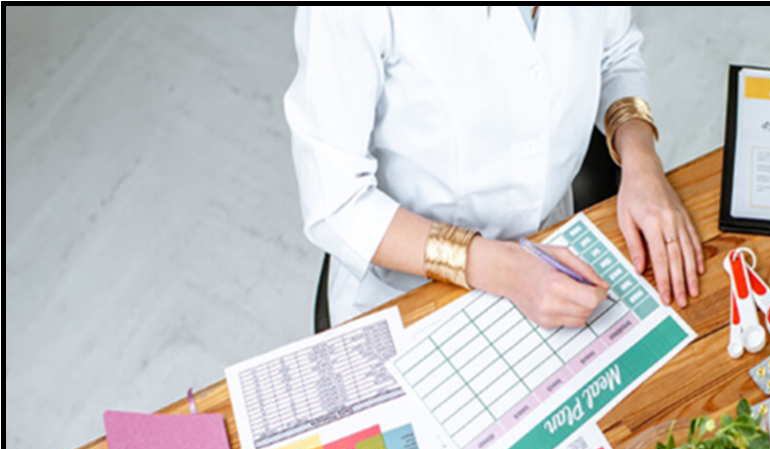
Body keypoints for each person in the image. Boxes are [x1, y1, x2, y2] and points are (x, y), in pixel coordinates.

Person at [285, 6, 705, 329]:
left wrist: (641, 160)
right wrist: (502, 269)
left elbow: (615, 53)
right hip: (412, 289)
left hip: (554, 248)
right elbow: (336, 201)